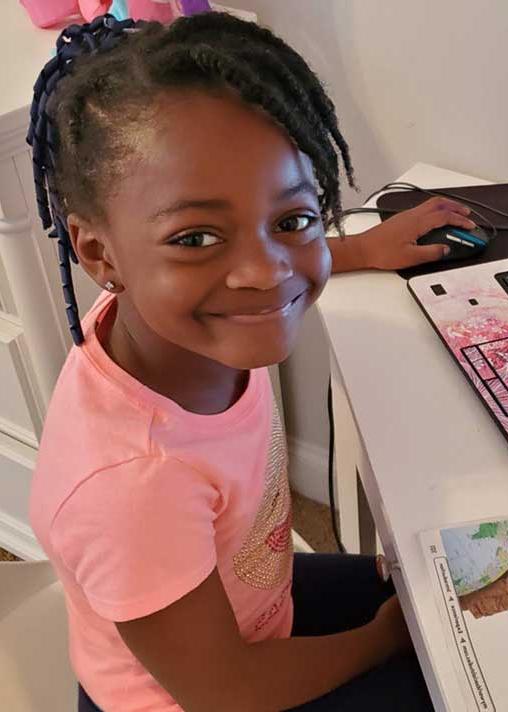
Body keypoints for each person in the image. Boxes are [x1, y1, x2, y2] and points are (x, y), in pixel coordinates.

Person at [26, 12, 473, 711]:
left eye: (292, 221)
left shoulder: (177, 321)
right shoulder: (136, 484)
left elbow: (269, 257)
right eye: (197, 236)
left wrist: (356, 250)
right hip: (203, 691)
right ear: (99, 254)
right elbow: (225, 691)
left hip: (247, 604)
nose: (266, 274)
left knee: (451, 591)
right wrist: (390, 636)